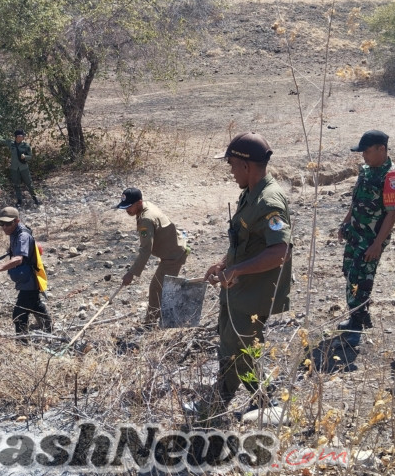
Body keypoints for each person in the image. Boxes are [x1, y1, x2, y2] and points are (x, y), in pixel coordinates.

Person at [190, 133, 292, 421]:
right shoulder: (251, 193)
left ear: (247, 166)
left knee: (240, 349)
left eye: (233, 165)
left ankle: (260, 400)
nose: (231, 171)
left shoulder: (269, 201)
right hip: (238, 289)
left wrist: (237, 270)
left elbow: (280, 251)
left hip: (253, 292)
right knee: (230, 345)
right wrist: (223, 263)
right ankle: (227, 402)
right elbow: (246, 241)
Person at [337, 130, 395, 345]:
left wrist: (377, 244)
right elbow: (356, 201)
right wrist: (346, 222)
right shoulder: (366, 171)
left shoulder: (392, 177)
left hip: (371, 239)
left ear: (381, 149)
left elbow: (392, 212)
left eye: (367, 151)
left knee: (361, 279)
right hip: (355, 233)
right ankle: (361, 316)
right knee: (349, 272)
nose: (363, 156)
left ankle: (356, 327)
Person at [116, 187, 188, 328]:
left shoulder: (146, 220)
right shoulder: (145, 207)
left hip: (173, 256)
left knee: (156, 288)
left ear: (139, 203)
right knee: (162, 287)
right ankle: (159, 321)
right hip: (172, 248)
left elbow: (145, 250)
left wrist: (131, 273)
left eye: (129, 207)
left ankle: (151, 325)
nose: (127, 210)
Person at [0, 207, 52, 342]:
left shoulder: (22, 236)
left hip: (30, 280)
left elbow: (18, 259)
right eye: (2, 224)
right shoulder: (14, 233)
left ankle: (23, 344)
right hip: (25, 279)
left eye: (8, 224)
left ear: (17, 221)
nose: (5, 227)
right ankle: (48, 330)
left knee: (19, 314)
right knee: (35, 305)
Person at [0, 129, 39, 206]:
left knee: (29, 183)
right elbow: (1, 140)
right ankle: (19, 201)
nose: (23, 137)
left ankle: (35, 198)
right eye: (22, 135)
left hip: (24, 168)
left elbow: (30, 156)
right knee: (16, 185)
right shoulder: (11, 144)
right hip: (14, 168)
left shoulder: (26, 145)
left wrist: (25, 157)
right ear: (17, 136)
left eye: (23, 135)